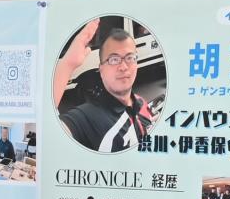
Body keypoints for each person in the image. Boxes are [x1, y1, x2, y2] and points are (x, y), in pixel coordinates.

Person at [55, 17, 155, 152]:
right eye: (114, 59)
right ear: (101, 69)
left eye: (130, 58)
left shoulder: (141, 102)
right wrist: (67, 65)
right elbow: (50, 135)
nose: (124, 66)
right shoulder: (87, 117)